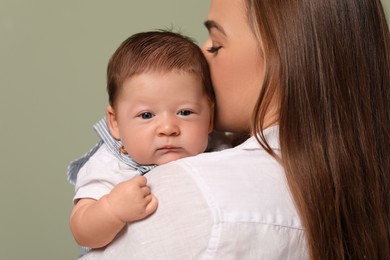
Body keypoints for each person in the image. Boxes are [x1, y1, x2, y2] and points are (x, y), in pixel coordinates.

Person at [75, 0, 390, 259]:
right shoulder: (349, 190)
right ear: (114, 121)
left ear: (281, 55)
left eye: (216, 44)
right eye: (146, 115)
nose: (200, 56)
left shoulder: (186, 191)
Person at [68, 30, 216, 251]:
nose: (168, 128)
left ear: (210, 118)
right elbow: (82, 231)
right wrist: (111, 209)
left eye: (185, 112)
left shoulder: (220, 152)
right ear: (115, 122)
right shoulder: (110, 165)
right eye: (146, 115)